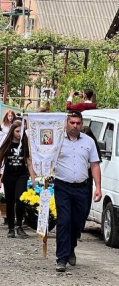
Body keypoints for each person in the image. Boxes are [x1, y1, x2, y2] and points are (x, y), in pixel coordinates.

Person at [53, 111, 101, 272]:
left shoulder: (89, 142)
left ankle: (71, 246)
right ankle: (61, 258)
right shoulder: (57, 140)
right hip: (62, 186)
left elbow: (94, 164)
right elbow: (46, 157)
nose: (75, 126)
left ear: (82, 124)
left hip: (81, 188)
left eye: (78, 123)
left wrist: (98, 188)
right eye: (72, 122)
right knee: (64, 221)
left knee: (77, 222)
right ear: (67, 123)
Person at [0, 121, 35, 238]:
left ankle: (19, 226)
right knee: (10, 201)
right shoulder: (7, 144)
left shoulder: (25, 144)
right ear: (12, 131)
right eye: (17, 131)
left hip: (21, 175)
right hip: (9, 176)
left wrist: (33, 179)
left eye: (21, 131)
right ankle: (11, 227)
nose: (19, 134)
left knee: (20, 199)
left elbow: (29, 162)